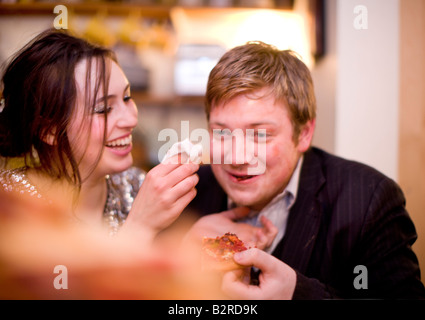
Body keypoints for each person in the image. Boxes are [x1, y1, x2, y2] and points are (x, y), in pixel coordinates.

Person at [186, 41, 425, 299]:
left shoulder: (369, 202)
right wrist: (180, 257)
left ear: (304, 134)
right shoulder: (189, 193)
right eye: (221, 132)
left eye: (260, 134)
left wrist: (296, 294)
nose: (236, 156)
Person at [0, 29, 199, 241]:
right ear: (49, 130)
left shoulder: (136, 185)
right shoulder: (10, 208)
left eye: (127, 97)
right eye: (104, 109)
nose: (131, 120)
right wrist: (139, 227)